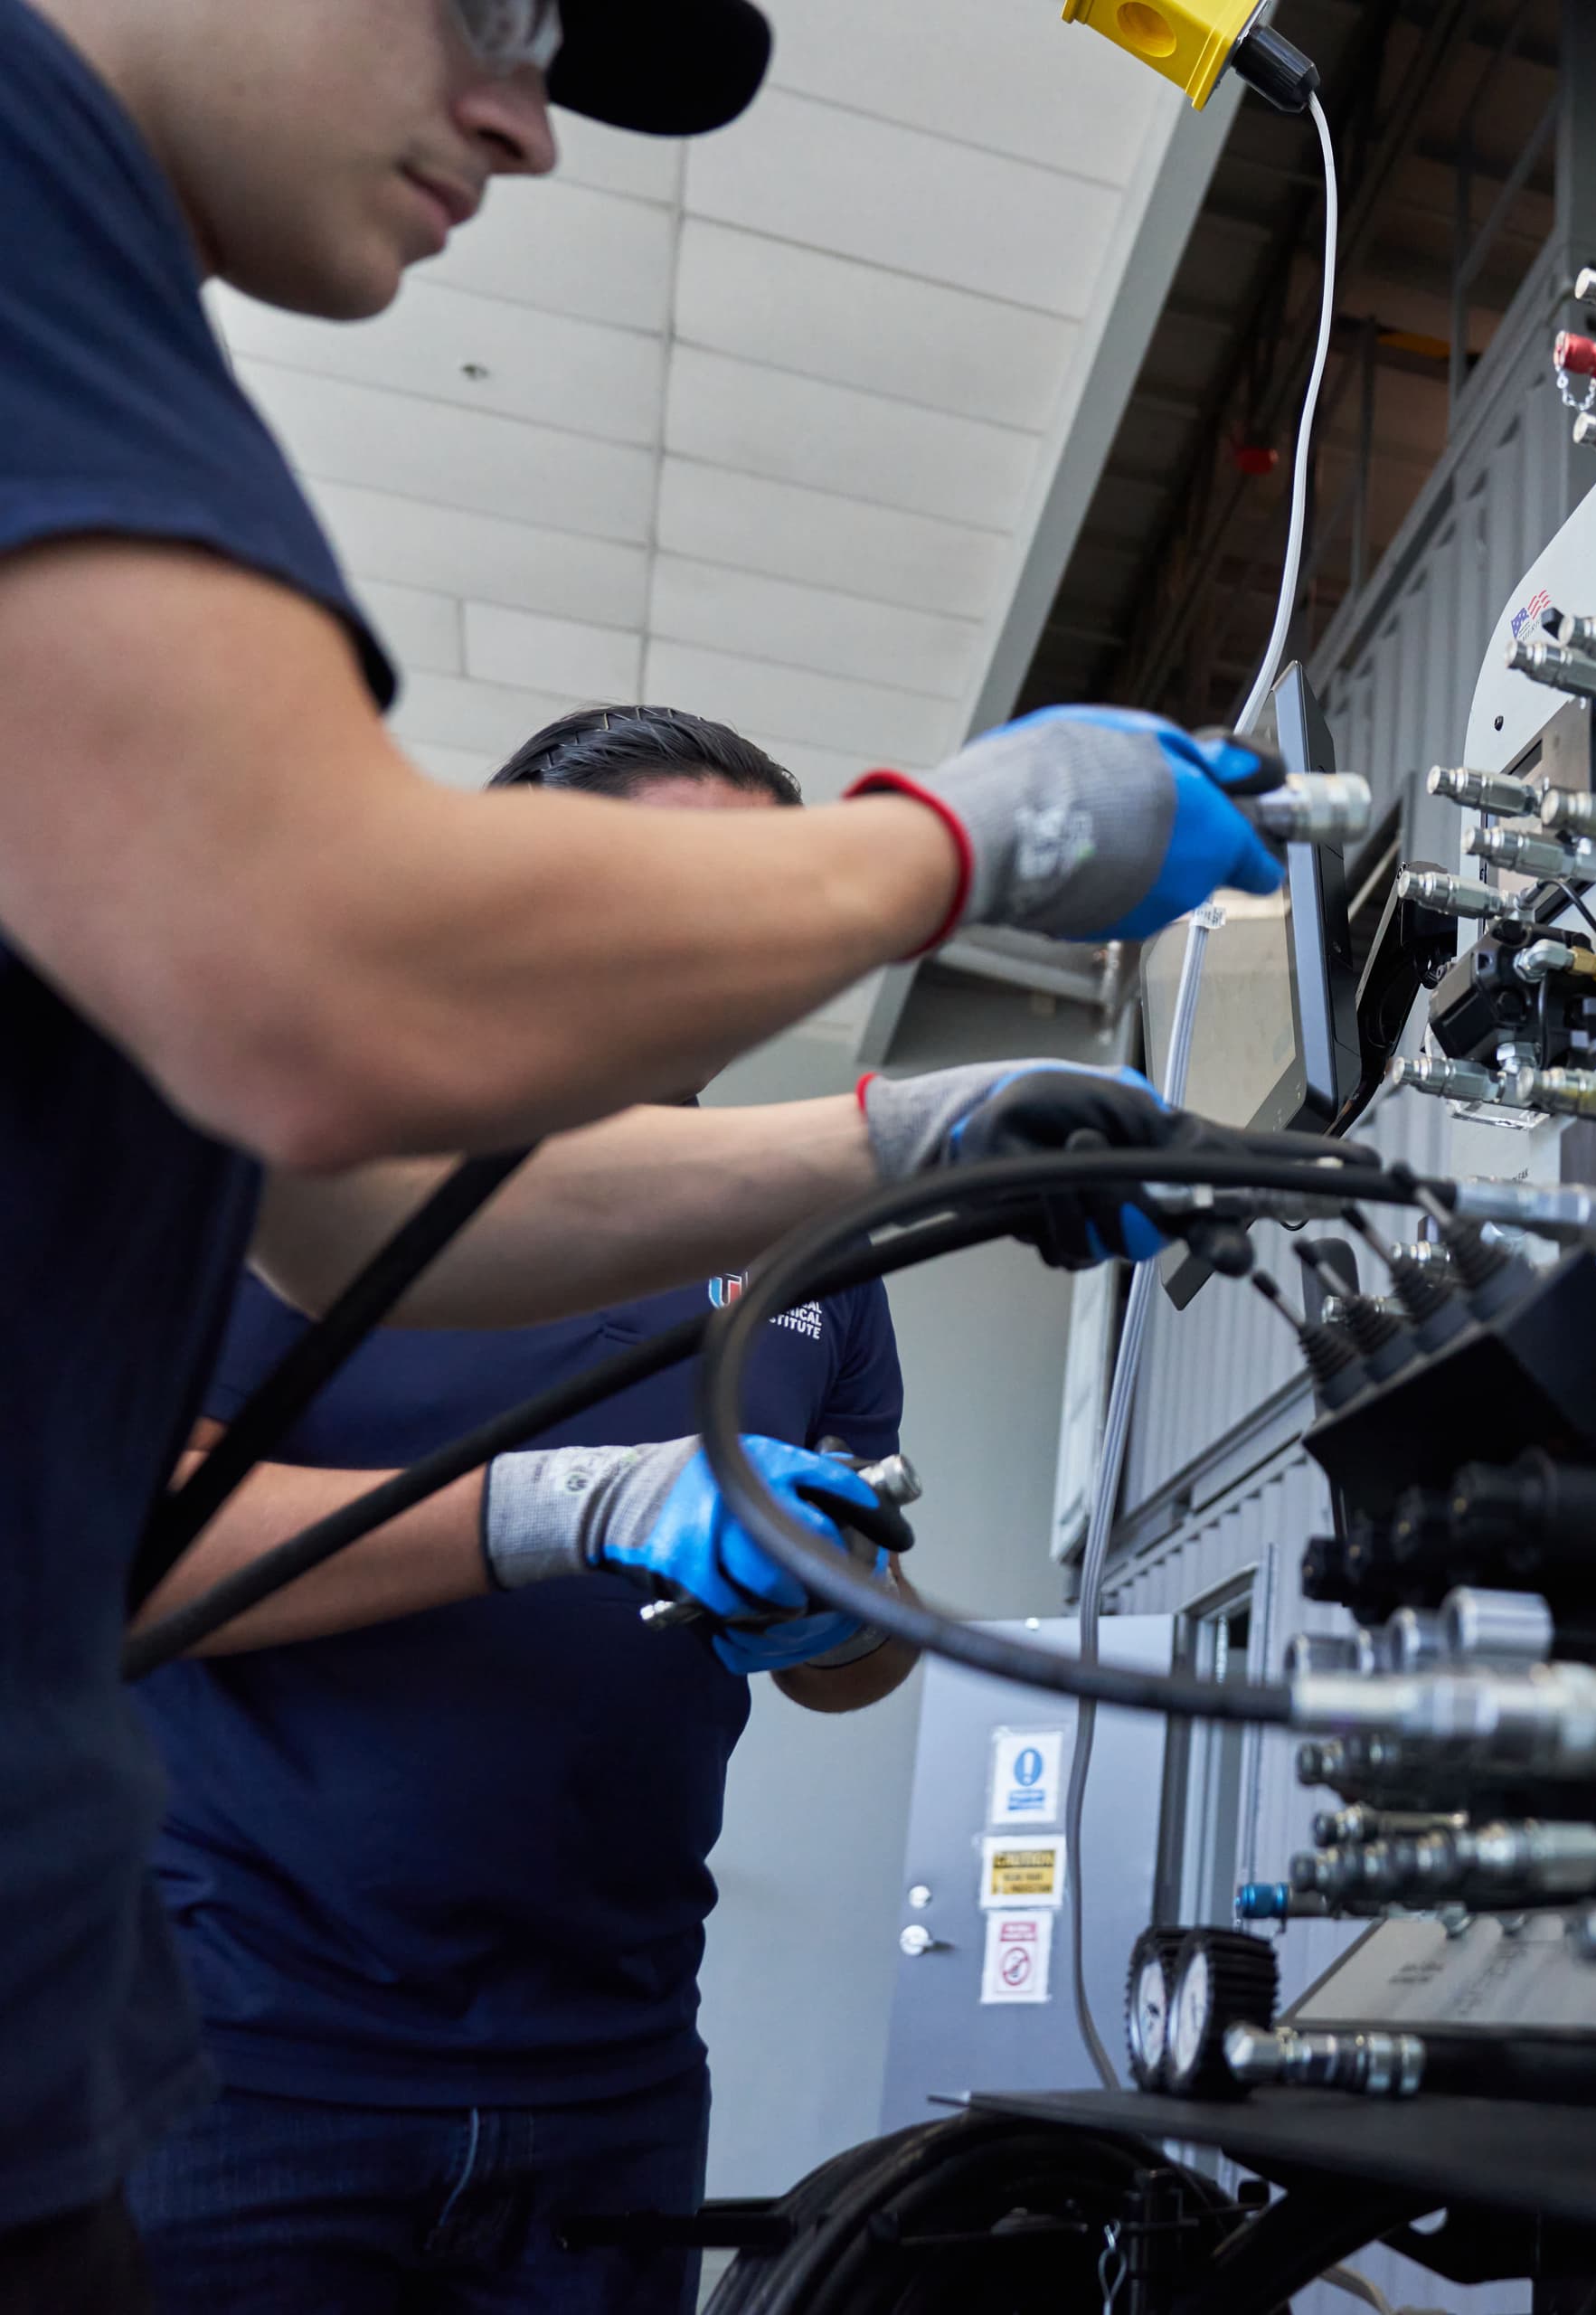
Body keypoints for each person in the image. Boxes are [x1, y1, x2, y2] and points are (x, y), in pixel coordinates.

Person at [0, 2, 1296, 2301]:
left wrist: (921, 1134)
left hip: (308, 2050)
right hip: (252, 2052)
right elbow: (334, 1001)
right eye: (494, 7)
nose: (526, 118)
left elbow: (378, 1203)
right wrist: (963, 844)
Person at [122, 709, 919, 2315]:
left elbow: (863, 1657)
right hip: (238, 2066)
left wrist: (831, 1609)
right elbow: (127, 1557)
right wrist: (572, 1502)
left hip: (607, 2088)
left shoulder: (805, 1240)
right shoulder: (304, 1163)